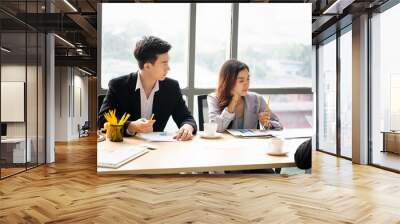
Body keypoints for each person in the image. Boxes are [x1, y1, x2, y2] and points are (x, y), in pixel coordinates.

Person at [98, 36, 197, 141]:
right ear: (147, 66)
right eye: (164, 63)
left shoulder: (171, 87)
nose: (168, 68)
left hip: (159, 149)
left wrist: (187, 127)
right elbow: (102, 121)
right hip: (124, 148)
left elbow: (186, 118)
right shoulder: (118, 85)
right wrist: (131, 126)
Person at [207, 59, 283, 132]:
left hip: (250, 144)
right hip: (224, 144)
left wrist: (267, 124)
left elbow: (279, 126)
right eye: (241, 81)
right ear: (229, 82)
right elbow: (215, 128)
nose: (246, 84)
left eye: (248, 79)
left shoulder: (257, 99)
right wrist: (233, 101)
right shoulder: (213, 98)